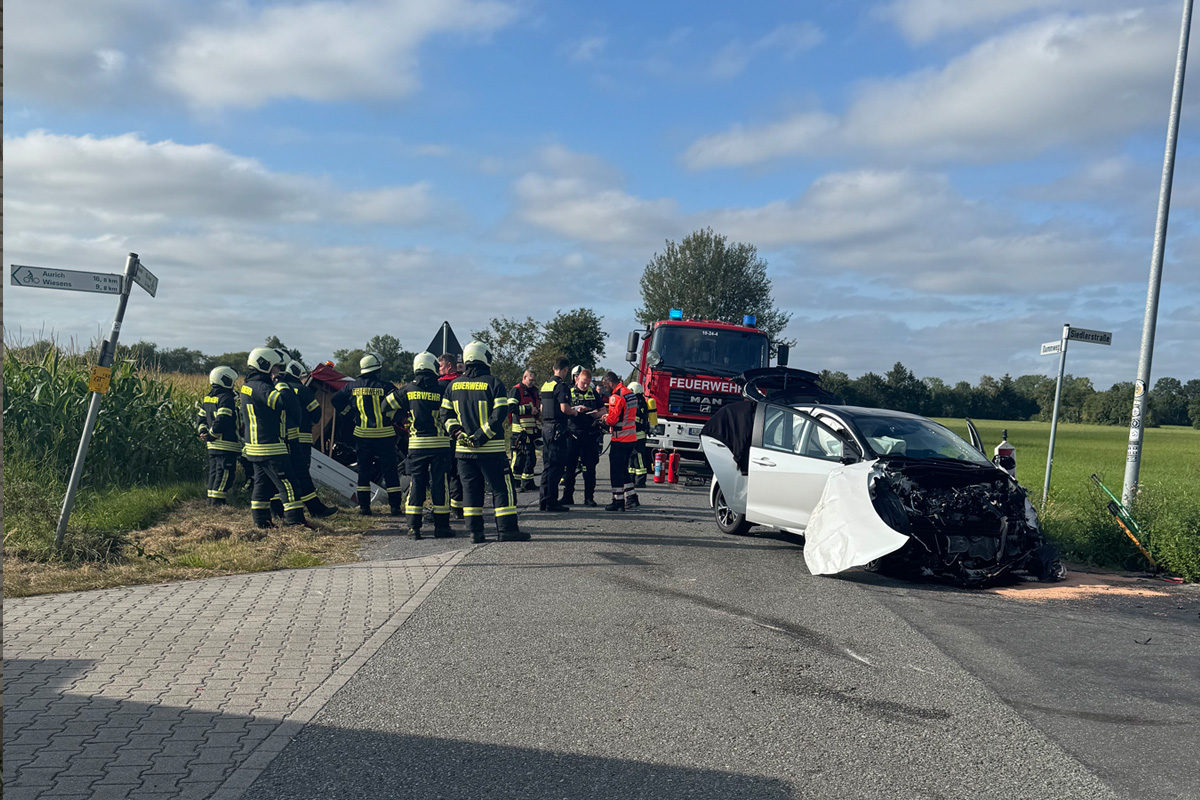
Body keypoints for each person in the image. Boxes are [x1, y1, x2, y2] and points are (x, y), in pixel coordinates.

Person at [439, 341, 526, 543]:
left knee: (471, 490)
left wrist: (457, 432)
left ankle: (475, 533)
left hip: (463, 451)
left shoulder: (453, 385)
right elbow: (500, 413)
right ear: (484, 357)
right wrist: (482, 436)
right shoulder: (494, 383)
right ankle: (506, 530)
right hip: (491, 450)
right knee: (502, 488)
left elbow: (445, 413)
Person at [240, 348, 308, 528]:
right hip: (270, 446)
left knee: (262, 487)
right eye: (276, 367)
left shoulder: (248, 385)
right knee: (288, 485)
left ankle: (262, 522)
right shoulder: (262, 387)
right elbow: (284, 402)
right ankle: (296, 522)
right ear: (265, 364)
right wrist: (279, 381)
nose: (278, 370)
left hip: (255, 447)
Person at [331, 353, 406, 516]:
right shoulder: (387, 387)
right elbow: (400, 406)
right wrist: (392, 418)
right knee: (390, 472)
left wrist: (349, 413)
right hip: (384, 436)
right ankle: (395, 507)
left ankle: (364, 507)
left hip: (362, 436)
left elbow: (336, 401)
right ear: (377, 369)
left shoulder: (351, 387)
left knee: (363, 472)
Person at [395, 352, 453, 539]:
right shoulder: (443, 389)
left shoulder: (408, 389)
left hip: (417, 445)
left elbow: (385, 406)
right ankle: (442, 527)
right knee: (440, 485)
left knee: (416, 484)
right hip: (441, 445)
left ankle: (414, 528)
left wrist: (403, 418)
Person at [279, 358, 338, 518]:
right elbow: (316, 414)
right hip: (303, 438)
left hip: (281, 440)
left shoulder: (277, 389)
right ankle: (314, 509)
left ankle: (282, 509)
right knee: (302, 472)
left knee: (286, 474)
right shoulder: (302, 390)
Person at [538, 357, 585, 513]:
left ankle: (543, 500)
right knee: (556, 466)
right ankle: (552, 502)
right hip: (558, 428)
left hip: (546, 427)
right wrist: (575, 412)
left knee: (547, 465)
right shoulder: (561, 386)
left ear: (553, 368)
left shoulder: (546, 385)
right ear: (565, 370)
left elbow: (541, 408)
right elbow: (564, 408)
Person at [196, 366, 242, 506]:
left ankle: (211, 501)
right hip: (225, 445)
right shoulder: (226, 398)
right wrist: (211, 435)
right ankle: (218, 503)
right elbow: (223, 418)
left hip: (212, 446)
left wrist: (203, 433)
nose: (233, 384)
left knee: (214, 473)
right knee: (225, 475)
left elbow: (200, 419)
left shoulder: (209, 398)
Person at [561, 367, 603, 507]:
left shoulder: (593, 393)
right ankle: (567, 496)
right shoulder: (569, 392)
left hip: (589, 435)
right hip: (572, 434)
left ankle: (589, 498)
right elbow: (562, 409)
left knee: (589, 469)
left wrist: (595, 412)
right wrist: (575, 409)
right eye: (583, 382)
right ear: (577, 379)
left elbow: (603, 409)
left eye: (587, 383)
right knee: (570, 468)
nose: (585, 386)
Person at [600, 371, 639, 511]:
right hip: (631, 437)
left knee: (616, 471)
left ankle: (618, 501)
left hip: (620, 438)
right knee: (623, 469)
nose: (605, 389)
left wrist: (603, 420)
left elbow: (612, 420)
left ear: (610, 383)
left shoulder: (616, 397)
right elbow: (625, 415)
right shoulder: (630, 393)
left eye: (605, 386)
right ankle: (632, 497)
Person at [438, 353, 465, 518]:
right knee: (458, 472)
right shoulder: (462, 382)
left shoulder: (441, 385)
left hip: (444, 434)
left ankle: (447, 507)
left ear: (448, 366)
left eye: (441, 366)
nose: (439, 370)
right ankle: (458, 507)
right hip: (461, 433)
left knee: (445, 474)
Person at [508, 369, 540, 491]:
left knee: (531, 457)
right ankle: (515, 483)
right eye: (530, 380)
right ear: (524, 377)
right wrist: (528, 410)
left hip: (532, 430)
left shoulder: (534, 391)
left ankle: (528, 482)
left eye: (533, 380)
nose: (532, 382)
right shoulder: (516, 390)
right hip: (519, 431)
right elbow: (511, 408)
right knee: (519, 458)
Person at [628, 382, 657, 488]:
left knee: (638, 458)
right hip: (636, 434)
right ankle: (631, 477)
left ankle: (640, 480)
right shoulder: (640, 402)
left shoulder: (638, 403)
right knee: (632, 457)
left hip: (637, 435)